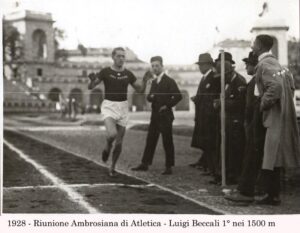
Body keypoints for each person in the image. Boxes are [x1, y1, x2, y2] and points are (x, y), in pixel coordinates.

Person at [251, 34, 300, 205]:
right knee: (274, 156)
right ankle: (273, 195)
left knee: (270, 155)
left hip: (272, 118)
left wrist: (262, 104)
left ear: (259, 46)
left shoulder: (265, 64)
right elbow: (290, 86)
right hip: (280, 116)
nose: (252, 47)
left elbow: (275, 87)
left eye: (253, 44)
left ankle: (271, 195)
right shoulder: (279, 64)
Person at [88, 47, 150, 176]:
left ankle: (113, 167)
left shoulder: (128, 74)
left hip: (123, 107)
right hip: (109, 106)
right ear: (113, 57)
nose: (121, 58)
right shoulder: (105, 71)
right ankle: (107, 146)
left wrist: (144, 80)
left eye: (123, 56)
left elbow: (140, 90)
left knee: (119, 142)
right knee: (112, 135)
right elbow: (91, 86)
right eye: (119, 56)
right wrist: (92, 81)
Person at [225, 51, 266, 203]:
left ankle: (247, 191)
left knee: (251, 157)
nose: (246, 66)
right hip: (251, 123)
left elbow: (251, 106)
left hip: (253, 124)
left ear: (254, 66)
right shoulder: (254, 81)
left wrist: (249, 124)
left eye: (248, 63)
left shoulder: (255, 82)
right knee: (249, 156)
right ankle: (245, 188)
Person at [131, 56, 182, 175]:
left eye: (157, 66)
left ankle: (169, 166)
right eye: (153, 66)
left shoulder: (169, 81)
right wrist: (151, 96)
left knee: (167, 141)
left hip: (165, 116)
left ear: (162, 66)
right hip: (155, 116)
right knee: (151, 140)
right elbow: (149, 97)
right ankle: (145, 164)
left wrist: (167, 105)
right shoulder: (153, 82)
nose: (154, 68)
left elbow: (178, 96)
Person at [213, 52, 247, 185]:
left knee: (234, 150)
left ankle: (233, 176)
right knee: (225, 149)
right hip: (226, 120)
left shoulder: (239, 81)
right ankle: (225, 174)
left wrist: (222, 103)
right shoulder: (226, 83)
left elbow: (241, 103)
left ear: (228, 73)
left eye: (223, 75)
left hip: (235, 122)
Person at [190, 53, 220, 176]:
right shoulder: (205, 78)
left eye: (202, 65)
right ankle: (208, 166)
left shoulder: (213, 78)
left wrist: (199, 100)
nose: (200, 67)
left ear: (208, 65)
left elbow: (211, 98)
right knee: (205, 143)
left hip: (208, 117)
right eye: (199, 65)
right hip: (203, 115)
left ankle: (212, 169)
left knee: (210, 143)